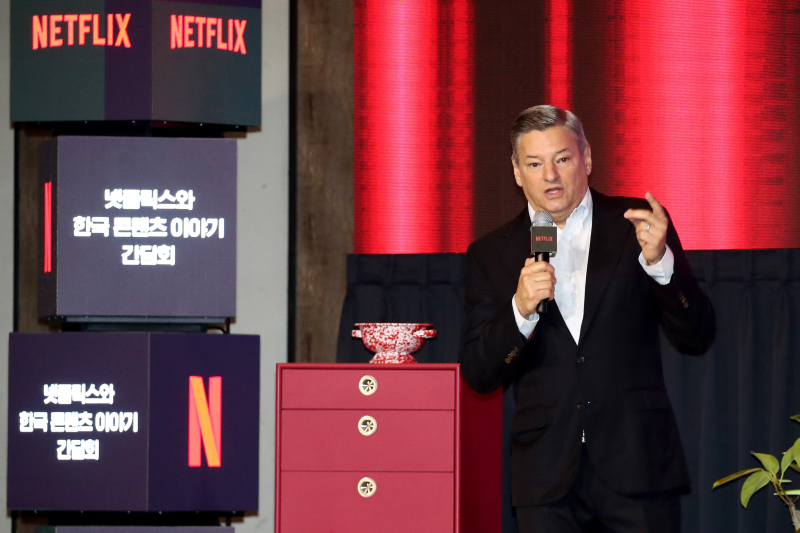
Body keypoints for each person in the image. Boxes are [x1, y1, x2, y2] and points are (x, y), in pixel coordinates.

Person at [459, 105, 715, 533]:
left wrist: (661, 265)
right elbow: (479, 373)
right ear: (517, 172)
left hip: (637, 460)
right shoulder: (490, 254)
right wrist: (520, 309)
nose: (550, 175)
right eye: (534, 164)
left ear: (587, 158)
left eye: (562, 158)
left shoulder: (637, 227)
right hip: (545, 474)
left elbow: (698, 334)